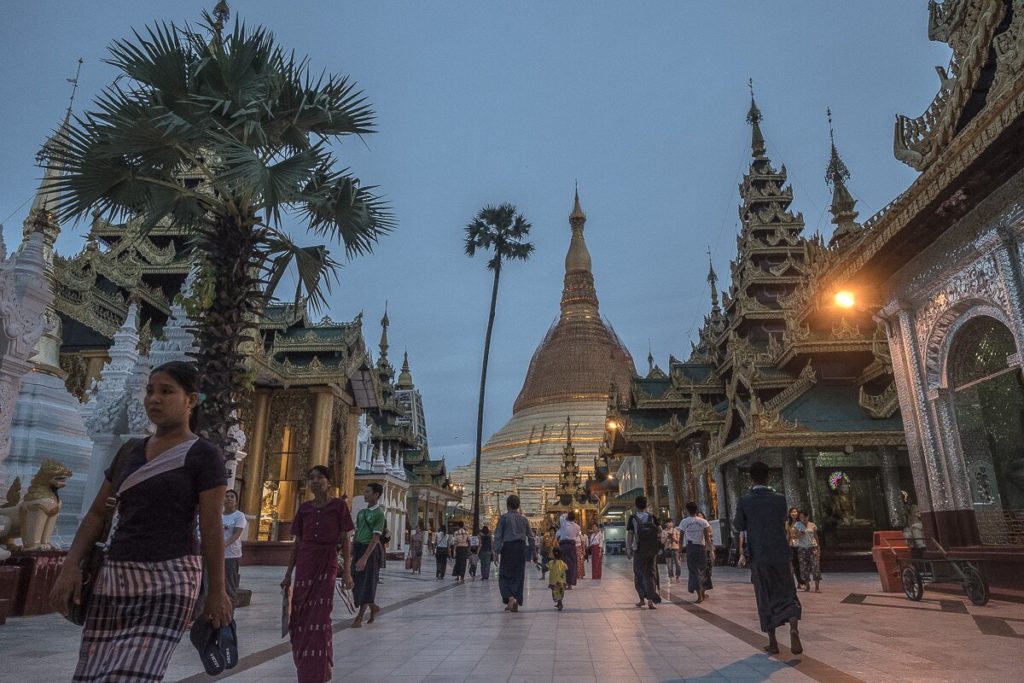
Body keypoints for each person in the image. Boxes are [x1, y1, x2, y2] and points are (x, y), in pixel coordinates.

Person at [52, 361, 231, 683]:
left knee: (135, 675)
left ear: (190, 400)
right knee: (92, 674)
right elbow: (97, 514)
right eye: (150, 391)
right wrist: (70, 565)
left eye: (166, 391)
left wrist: (217, 591)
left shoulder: (204, 455)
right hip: (116, 573)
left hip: (172, 577)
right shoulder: (130, 452)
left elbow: (212, 527)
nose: (154, 399)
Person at [282, 465, 354, 681]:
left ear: (328, 482)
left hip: (326, 562)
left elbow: (345, 540)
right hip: (305, 563)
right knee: (299, 618)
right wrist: (288, 574)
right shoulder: (304, 508)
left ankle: (322, 667)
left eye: (319, 477)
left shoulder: (339, 506)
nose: (314, 481)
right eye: (311, 478)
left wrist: (347, 571)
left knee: (321, 617)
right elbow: (298, 542)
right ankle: (305, 669)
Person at [734, 461, 803, 655]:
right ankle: (793, 626)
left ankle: (773, 642)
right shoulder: (780, 499)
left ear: (750, 477)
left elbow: (738, 524)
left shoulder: (745, 500)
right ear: (769, 476)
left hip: (760, 554)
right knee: (787, 591)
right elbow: (781, 520)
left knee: (765, 595)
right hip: (781, 553)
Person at [493, 494, 537, 612]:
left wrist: (496, 552)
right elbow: (531, 537)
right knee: (518, 575)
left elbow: (498, 536)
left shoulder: (504, 518)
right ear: (518, 506)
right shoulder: (524, 519)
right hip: (521, 548)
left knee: (504, 575)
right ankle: (515, 599)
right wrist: (534, 552)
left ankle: (510, 598)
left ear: (507, 505)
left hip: (508, 548)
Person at [351, 482, 386, 627]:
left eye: (367, 492)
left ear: (376, 495)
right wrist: (352, 553)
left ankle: (359, 616)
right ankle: (373, 606)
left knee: (366, 582)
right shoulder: (361, 513)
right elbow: (358, 532)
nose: (364, 494)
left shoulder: (379, 514)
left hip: (370, 551)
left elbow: (376, 538)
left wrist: (364, 558)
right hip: (359, 548)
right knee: (355, 581)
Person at [626, 495, 661, 609]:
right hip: (651, 550)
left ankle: (642, 599)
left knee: (639, 573)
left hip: (639, 549)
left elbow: (630, 534)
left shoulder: (633, 518)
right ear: (646, 505)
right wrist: (658, 544)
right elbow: (660, 531)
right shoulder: (652, 517)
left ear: (636, 505)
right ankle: (651, 600)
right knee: (651, 573)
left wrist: (628, 549)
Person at [679, 503, 712, 603]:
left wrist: (680, 549)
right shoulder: (703, 521)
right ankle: (702, 593)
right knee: (702, 570)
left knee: (694, 571)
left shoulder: (684, 521)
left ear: (687, 510)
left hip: (691, 547)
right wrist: (710, 550)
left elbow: (681, 537)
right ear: (697, 510)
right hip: (701, 548)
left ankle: (700, 596)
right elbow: (707, 537)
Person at [222, 489, 247, 602]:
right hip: (216, 555)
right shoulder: (218, 515)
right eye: (227, 496)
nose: (229, 499)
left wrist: (223, 545)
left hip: (231, 555)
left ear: (236, 501)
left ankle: (230, 613)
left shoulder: (239, 516)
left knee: (229, 584)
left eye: (232, 497)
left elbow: (236, 534)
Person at [796, 511, 822, 592]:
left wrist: (818, 547)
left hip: (812, 547)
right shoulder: (797, 525)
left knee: (815, 565)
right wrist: (799, 534)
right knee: (804, 567)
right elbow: (795, 536)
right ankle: (807, 585)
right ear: (799, 518)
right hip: (802, 548)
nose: (804, 519)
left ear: (808, 517)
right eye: (802, 517)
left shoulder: (812, 525)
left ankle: (817, 587)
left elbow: (815, 536)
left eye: (805, 517)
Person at [556, 511, 582, 588]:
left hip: (563, 546)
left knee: (563, 564)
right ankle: (570, 584)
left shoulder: (564, 524)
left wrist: (566, 513)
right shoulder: (578, 527)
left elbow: (561, 517)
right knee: (572, 564)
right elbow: (577, 535)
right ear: (574, 518)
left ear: (567, 517)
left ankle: (564, 582)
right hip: (572, 546)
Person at [786, 507, 805, 588]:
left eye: (795, 512)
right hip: (791, 544)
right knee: (795, 564)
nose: (793, 513)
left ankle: (803, 580)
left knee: (801, 563)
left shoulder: (799, 523)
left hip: (799, 544)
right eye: (792, 512)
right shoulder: (788, 523)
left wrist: (797, 536)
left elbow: (803, 533)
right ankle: (798, 581)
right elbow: (787, 534)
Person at [547, 546, 568, 611]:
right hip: (561, 581)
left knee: (555, 592)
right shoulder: (563, 563)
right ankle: (560, 602)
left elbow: (547, 567)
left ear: (553, 554)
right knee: (561, 591)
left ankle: (559, 603)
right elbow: (566, 568)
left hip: (554, 581)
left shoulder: (551, 562)